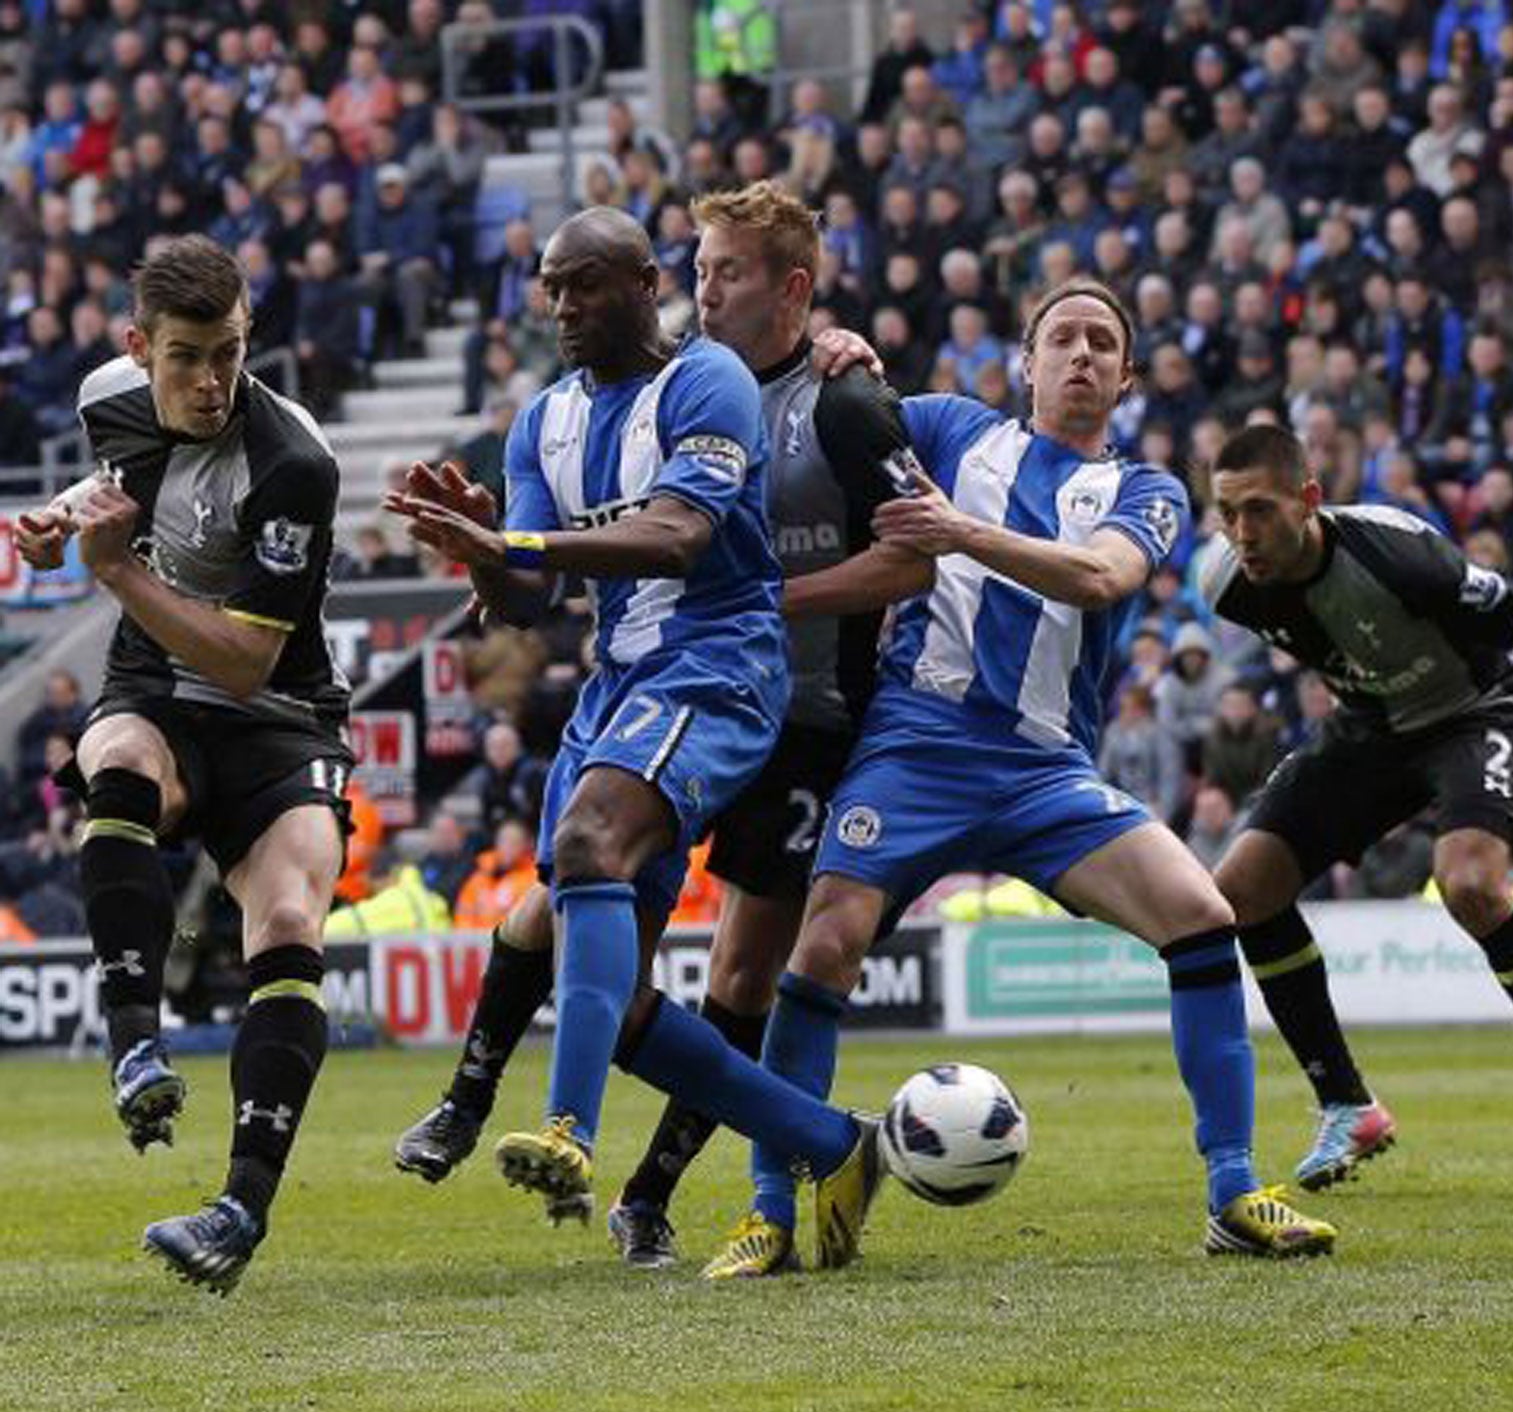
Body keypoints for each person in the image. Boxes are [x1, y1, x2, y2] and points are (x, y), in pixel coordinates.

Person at [721, 277, 1337, 1264]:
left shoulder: (1146, 491)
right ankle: (772, 1215)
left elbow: (1098, 577)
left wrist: (957, 531)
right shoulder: (952, 432)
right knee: (822, 944)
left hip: (1042, 769)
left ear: (1127, 377)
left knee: (1201, 914)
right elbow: (834, 419)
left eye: (1102, 342)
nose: (1081, 354)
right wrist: (837, 349)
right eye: (1062, 338)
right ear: (1026, 361)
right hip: (912, 749)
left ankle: (1231, 1190)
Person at [392, 182, 924, 1274]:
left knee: (591, 850)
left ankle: (566, 1132)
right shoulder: (545, 419)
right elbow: (532, 605)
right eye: (549, 290)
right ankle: (830, 1143)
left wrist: (526, 551)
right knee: (620, 994)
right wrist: (491, 555)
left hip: (721, 667)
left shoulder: (707, 380)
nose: (562, 308)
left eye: (585, 285)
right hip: (617, 687)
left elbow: (679, 535)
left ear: (643, 286)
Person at [12, 236, 356, 1295]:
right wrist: (64, 520)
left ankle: (238, 1211)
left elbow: (249, 663)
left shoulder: (294, 462)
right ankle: (133, 1044)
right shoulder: (106, 398)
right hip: (155, 692)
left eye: (231, 353)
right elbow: (121, 478)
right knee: (109, 758)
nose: (212, 382)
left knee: (292, 921)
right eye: (188, 358)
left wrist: (108, 566)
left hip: (277, 715)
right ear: (137, 349)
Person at [1200, 423, 1513, 1197]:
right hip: (1371, 726)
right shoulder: (1227, 585)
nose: (1243, 533)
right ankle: (1347, 1105)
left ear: (1310, 501)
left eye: (1261, 511)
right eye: (1227, 512)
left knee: (1470, 885)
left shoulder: (1397, 555)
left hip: (1477, 712)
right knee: (1241, 891)